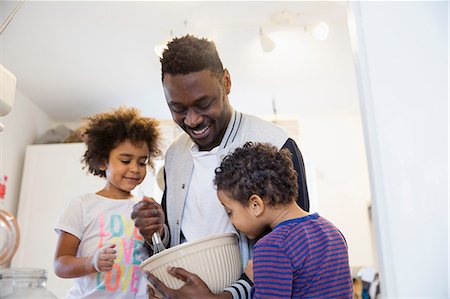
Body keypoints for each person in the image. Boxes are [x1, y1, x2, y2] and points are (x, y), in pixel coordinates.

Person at [131, 35, 310, 298]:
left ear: (226, 82)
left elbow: (295, 245)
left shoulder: (275, 144)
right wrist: (157, 232)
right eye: (178, 108)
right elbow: (176, 240)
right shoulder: (174, 157)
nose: (192, 120)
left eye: (204, 104)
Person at [213, 142, 353, 298]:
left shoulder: (272, 246)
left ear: (255, 205)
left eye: (229, 212)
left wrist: (255, 280)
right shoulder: (331, 230)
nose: (231, 222)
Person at [54, 107, 161, 299]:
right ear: (103, 161)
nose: (135, 169)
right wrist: (91, 263)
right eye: (126, 160)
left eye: (142, 162)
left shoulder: (145, 208)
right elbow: (60, 264)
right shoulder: (82, 205)